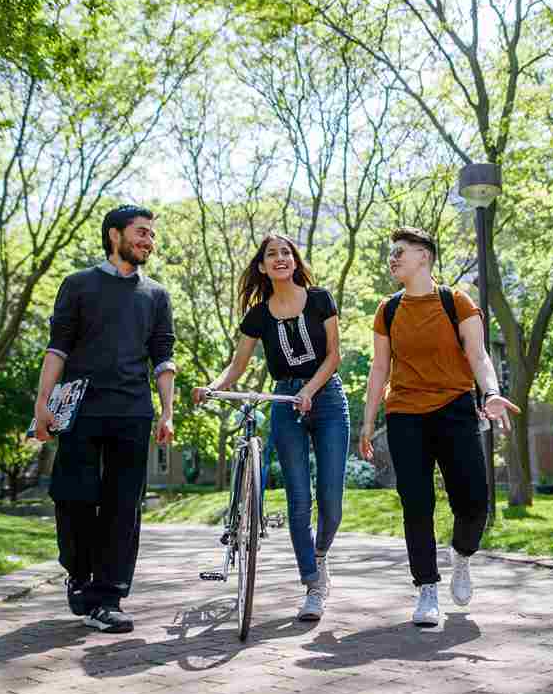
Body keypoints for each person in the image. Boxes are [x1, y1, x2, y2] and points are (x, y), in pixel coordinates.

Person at [358, 226, 519, 627]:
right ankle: (426, 588)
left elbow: (479, 355)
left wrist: (491, 392)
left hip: (455, 409)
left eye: (400, 251)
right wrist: (367, 421)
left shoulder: (456, 302)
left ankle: (461, 555)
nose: (393, 258)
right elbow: (379, 368)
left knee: (474, 502)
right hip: (405, 415)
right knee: (416, 504)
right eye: (391, 252)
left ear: (424, 256)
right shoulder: (388, 310)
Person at [33, 204, 176, 634]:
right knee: (72, 496)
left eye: (151, 235)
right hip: (80, 410)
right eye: (141, 232)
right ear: (115, 235)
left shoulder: (156, 295)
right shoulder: (78, 285)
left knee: (123, 507)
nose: (149, 241)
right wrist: (42, 403)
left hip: (133, 411)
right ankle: (78, 573)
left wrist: (167, 411)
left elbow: (163, 357)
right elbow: (58, 347)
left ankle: (108, 598)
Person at [193, 233, 349, 622]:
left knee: (331, 500)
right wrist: (212, 387)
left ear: (294, 262)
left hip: (327, 398)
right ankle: (312, 585)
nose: (280, 258)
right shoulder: (258, 316)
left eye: (286, 252)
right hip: (283, 401)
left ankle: (320, 555)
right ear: (262, 267)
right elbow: (238, 366)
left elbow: (334, 356)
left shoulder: (320, 299)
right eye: (271, 254)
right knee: (298, 500)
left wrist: (309, 390)